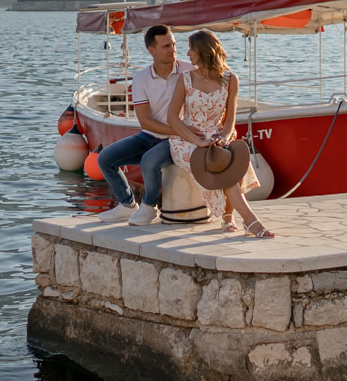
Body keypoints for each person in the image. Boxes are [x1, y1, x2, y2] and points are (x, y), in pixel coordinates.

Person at [167, 30, 272, 237]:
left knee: (229, 158)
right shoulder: (185, 79)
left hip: (217, 135)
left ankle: (233, 218)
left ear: (203, 52)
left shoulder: (231, 79)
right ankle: (249, 221)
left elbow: (230, 120)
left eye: (191, 49)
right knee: (218, 163)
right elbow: (172, 118)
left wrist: (223, 137)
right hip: (186, 139)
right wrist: (198, 141)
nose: (187, 54)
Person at [95, 24, 188, 225]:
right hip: (150, 135)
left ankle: (149, 207)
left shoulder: (189, 71)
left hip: (177, 139)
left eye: (173, 44)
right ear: (151, 50)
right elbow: (145, 121)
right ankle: (127, 205)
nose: (173, 49)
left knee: (149, 161)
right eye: (166, 46)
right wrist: (179, 129)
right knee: (105, 158)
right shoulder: (141, 79)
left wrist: (184, 133)